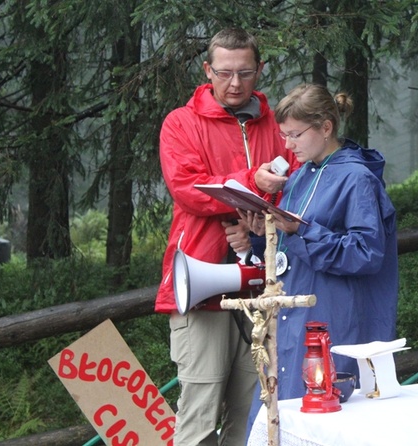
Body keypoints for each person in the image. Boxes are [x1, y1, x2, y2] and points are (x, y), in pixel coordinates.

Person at [155, 28, 299, 446]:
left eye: (245, 72)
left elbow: (300, 185)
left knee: (253, 410)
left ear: (260, 70)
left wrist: (256, 225)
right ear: (207, 70)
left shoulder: (279, 124)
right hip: (202, 285)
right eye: (224, 73)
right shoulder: (181, 123)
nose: (235, 84)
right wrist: (253, 184)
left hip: (266, 283)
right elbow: (189, 189)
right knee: (200, 411)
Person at [241, 83, 399, 429]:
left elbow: (366, 254)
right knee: (275, 421)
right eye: (284, 135)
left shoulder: (357, 179)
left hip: (331, 319)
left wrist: (303, 231)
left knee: (320, 422)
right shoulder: (298, 177)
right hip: (290, 319)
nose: (288, 145)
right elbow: (289, 249)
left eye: (295, 134)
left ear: (326, 127)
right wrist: (259, 237)